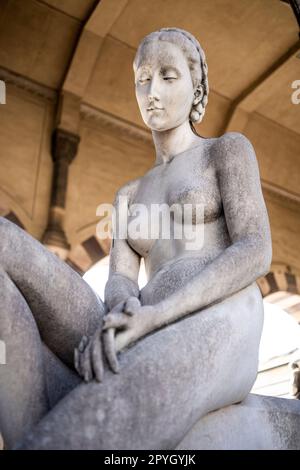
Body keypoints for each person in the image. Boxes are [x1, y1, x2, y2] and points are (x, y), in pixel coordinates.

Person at [0, 28, 272, 450]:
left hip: (217, 317)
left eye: (168, 75)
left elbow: (255, 249)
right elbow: (121, 278)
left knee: (85, 415)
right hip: (140, 320)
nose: (152, 91)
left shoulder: (225, 151)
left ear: (196, 85)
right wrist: (121, 307)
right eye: (143, 78)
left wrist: (156, 316)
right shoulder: (128, 195)